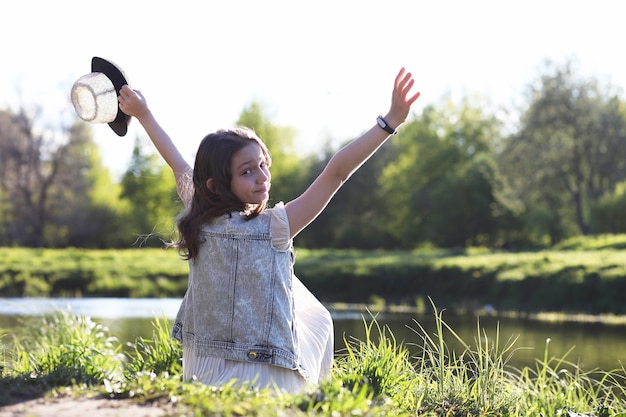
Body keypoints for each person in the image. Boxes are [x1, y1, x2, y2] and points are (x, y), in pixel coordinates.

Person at [117, 68, 420, 393]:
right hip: (268, 380)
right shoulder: (277, 226)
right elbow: (336, 172)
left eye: (263, 165)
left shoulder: (198, 216)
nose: (262, 177)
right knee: (318, 319)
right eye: (247, 171)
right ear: (217, 184)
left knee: (297, 296)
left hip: (203, 373)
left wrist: (144, 114)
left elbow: (176, 162)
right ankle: (315, 393)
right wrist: (388, 124)